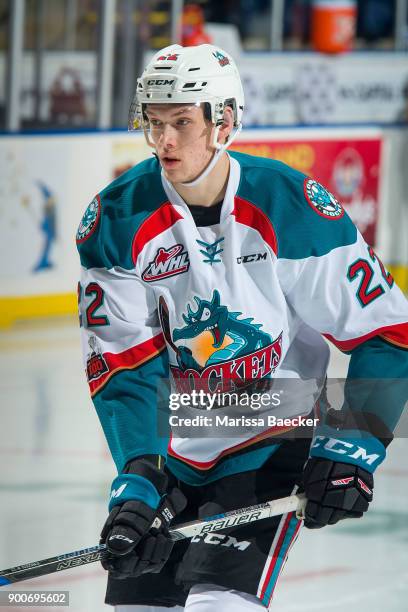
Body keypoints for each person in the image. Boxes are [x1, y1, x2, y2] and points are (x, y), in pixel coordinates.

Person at [76, 44, 408, 611]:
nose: (165, 142)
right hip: (173, 442)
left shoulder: (289, 206)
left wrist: (354, 444)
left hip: (270, 436)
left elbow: (387, 331)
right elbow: (125, 366)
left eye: (182, 122)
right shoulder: (115, 218)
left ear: (223, 120)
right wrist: (139, 474)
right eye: (155, 124)